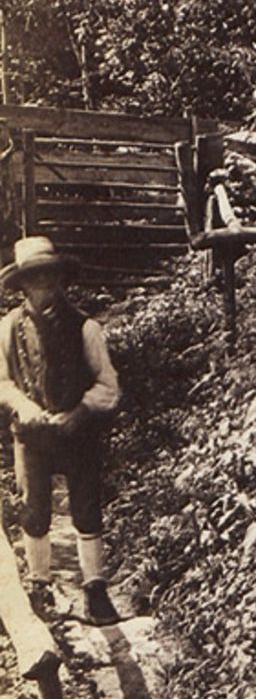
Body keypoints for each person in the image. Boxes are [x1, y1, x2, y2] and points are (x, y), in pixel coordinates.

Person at [0, 237, 122, 624]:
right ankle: (40, 588)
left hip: (77, 434)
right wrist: (26, 408)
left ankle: (96, 590)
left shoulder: (85, 328)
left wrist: (80, 411)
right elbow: (2, 382)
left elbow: (109, 385)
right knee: (34, 510)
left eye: (51, 276)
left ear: (61, 279)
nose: (45, 285)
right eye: (35, 278)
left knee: (86, 508)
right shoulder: (7, 328)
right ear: (22, 285)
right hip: (32, 435)